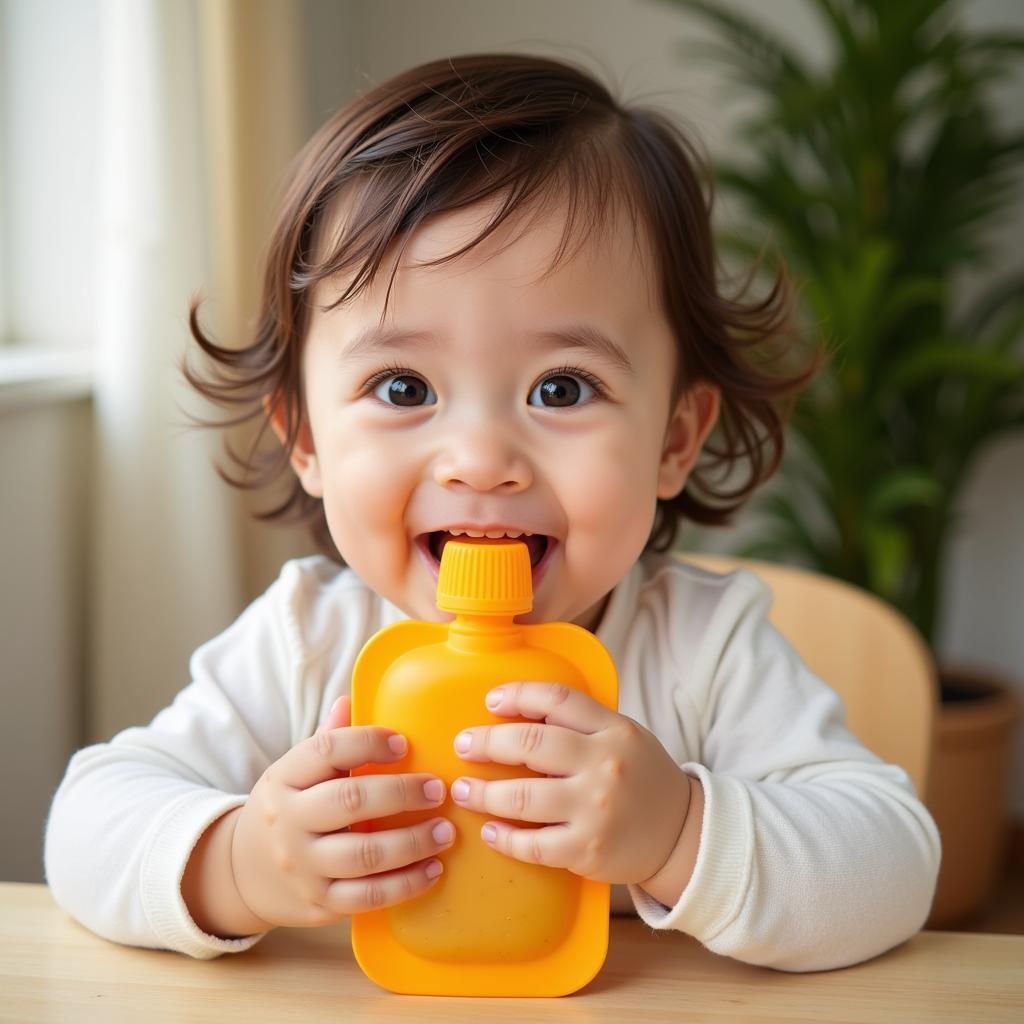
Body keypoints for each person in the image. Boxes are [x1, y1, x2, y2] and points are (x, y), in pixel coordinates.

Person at [44, 53, 940, 972]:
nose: (480, 460)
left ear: (675, 439)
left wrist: (678, 829)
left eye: (561, 387)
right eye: (403, 385)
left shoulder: (703, 650)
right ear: (304, 437)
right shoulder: (307, 643)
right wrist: (238, 863)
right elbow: (87, 820)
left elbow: (893, 863)